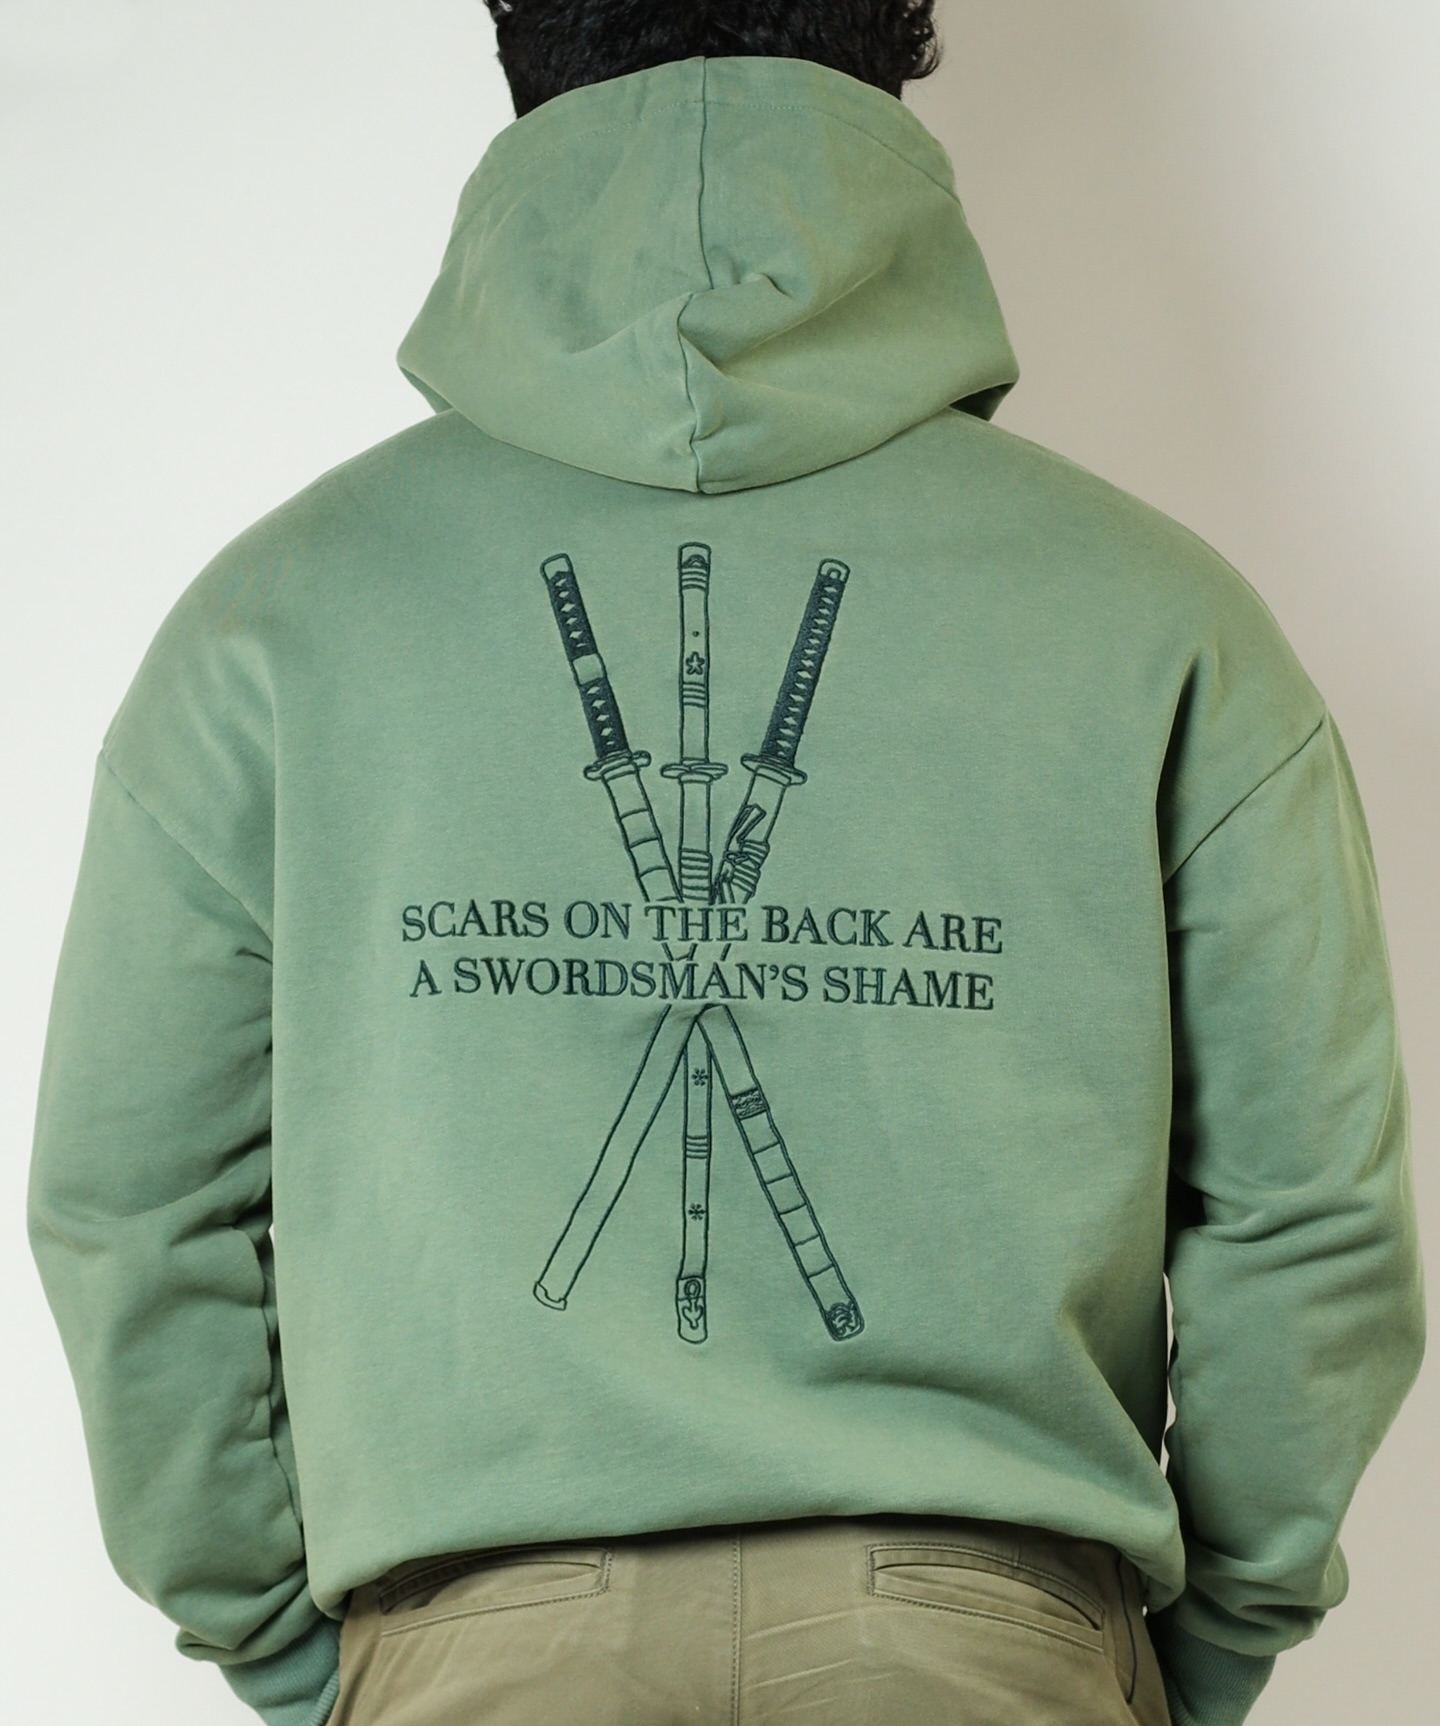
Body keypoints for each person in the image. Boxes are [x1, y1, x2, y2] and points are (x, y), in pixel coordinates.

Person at [26, 4, 1425, 1725]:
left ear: (519, 46)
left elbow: (132, 1211)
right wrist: (1164, 1661)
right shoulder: (1169, 620)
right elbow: (1313, 1218)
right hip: (993, 1661)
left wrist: (319, 1656)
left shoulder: (270, 628)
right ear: (897, 41)